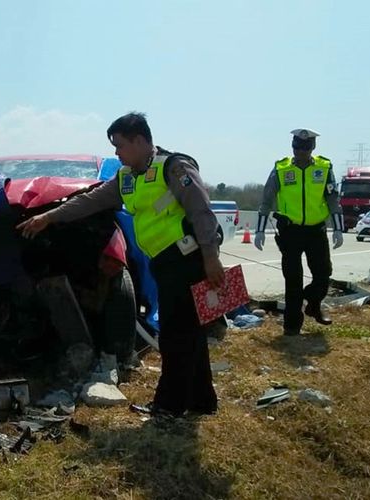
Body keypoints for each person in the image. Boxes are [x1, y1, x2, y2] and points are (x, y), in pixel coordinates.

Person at [17, 112, 222, 419]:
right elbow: (91, 200)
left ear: (140, 141)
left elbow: (201, 210)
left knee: (175, 334)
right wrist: (49, 217)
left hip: (187, 259)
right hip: (165, 262)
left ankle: (169, 405)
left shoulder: (173, 167)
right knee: (189, 332)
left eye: (120, 145)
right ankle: (202, 401)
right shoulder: (127, 177)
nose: (117, 152)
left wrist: (211, 257)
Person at [254, 128, 343, 336]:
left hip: (316, 230)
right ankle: (292, 326)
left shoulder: (324, 167)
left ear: (312, 148)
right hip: (290, 232)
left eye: (305, 147)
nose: (300, 151)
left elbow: (332, 198)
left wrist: (338, 228)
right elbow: (267, 199)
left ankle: (312, 303)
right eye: (297, 147)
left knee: (323, 276)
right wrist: (259, 230)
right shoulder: (281, 168)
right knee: (292, 280)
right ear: (292, 147)